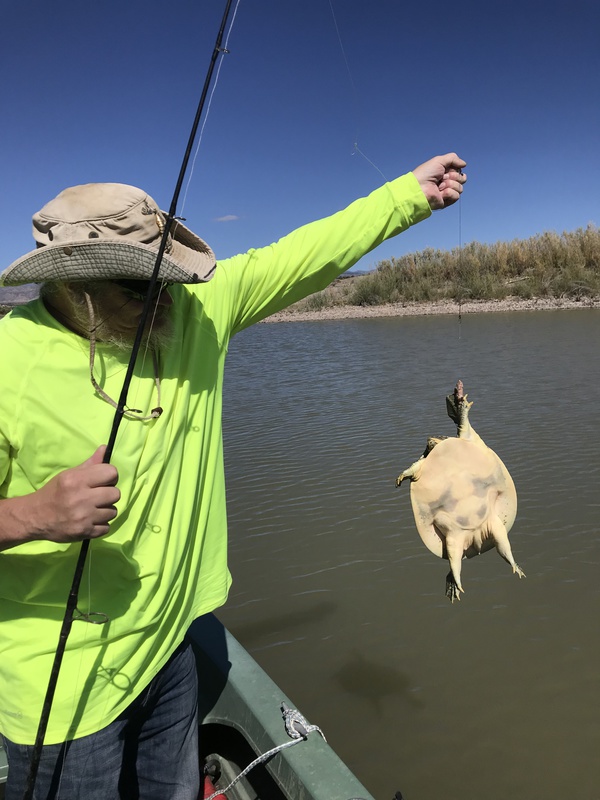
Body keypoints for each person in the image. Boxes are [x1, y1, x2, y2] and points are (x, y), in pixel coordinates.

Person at [0, 153, 466, 799]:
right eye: (144, 286)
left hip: (170, 646)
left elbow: (306, 253)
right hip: (61, 680)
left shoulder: (193, 312)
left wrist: (407, 195)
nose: (169, 295)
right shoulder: (7, 364)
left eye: (171, 278)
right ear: (76, 286)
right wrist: (32, 515)